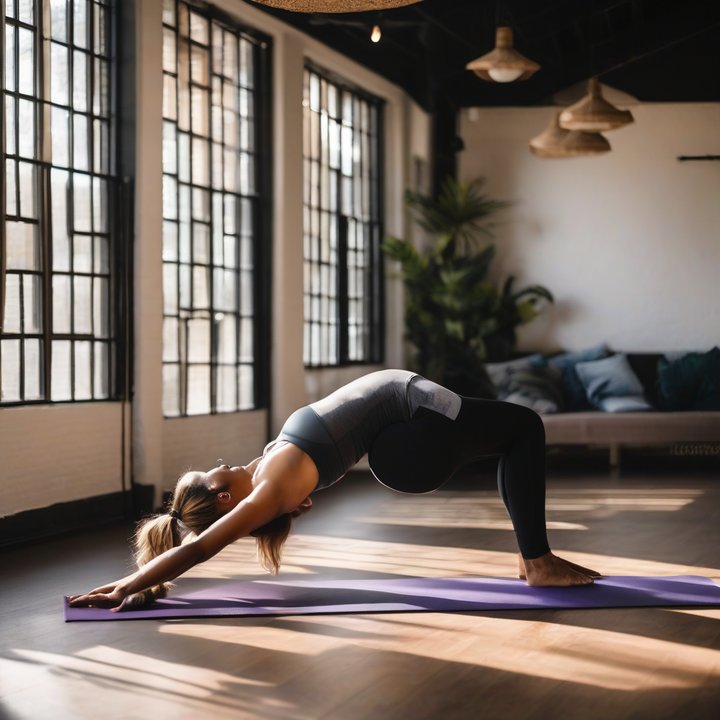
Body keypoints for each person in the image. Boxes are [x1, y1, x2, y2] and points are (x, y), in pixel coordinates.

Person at [69, 369, 599, 611]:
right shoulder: (267, 489)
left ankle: (535, 560)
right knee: (526, 426)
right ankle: (539, 561)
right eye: (214, 475)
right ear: (226, 499)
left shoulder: (269, 468)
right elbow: (200, 546)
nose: (222, 465)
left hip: (408, 435)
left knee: (516, 436)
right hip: (416, 435)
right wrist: (126, 584)